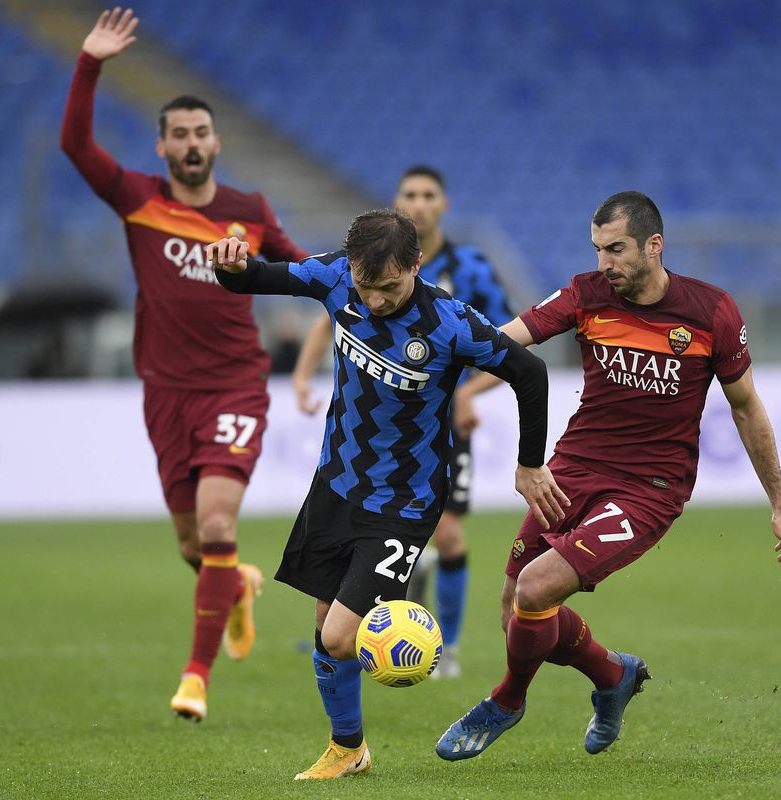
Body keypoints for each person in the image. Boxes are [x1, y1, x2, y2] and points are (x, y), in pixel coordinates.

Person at [435, 191, 781, 761]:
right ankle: (612, 676)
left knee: (536, 589)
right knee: (514, 608)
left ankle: (505, 702)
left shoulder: (712, 313)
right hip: (572, 469)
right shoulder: (587, 294)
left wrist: (779, 504)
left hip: (648, 491)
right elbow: (510, 337)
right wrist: (439, 350)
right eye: (598, 249)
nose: (605, 262)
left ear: (654, 246)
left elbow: (747, 407)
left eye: (616, 249)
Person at [205, 208, 569, 779]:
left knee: (339, 633)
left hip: (402, 506)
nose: (374, 301)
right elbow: (255, 277)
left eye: (390, 287)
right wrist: (229, 266)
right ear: (351, 268)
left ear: (417, 266)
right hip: (336, 484)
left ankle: (352, 745)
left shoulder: (449, 323)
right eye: (366, 287)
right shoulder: (333, 279)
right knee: (328, 621)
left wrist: (529, 465)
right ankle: (348, 748)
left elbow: (530, 373)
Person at [60, 8, 311, 722]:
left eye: (202, 133)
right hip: (165, 395)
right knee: (193, 549)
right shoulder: (138, 199)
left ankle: (195, 676)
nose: (193, 144)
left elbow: (302, 268)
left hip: (235, 386)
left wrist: (357, 280)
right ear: (163, 146)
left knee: (218, 530)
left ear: (217, 142)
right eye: (181, 135)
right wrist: (90, 63)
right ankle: (234, 589)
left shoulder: (249, 210)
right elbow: (75, 144)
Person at [291, 165, 513, 678]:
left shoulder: (471, 268)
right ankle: (362, 616)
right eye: (409, 193)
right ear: (397, 201)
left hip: (435, 428)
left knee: (451, 537)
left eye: (428, 194)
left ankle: (447, 649)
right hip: (370, 433)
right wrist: (304, 377)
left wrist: (469, 394)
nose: (419, 201)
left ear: (444, 204)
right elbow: (331, 321)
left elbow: (507, 341)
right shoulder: (368, 260)